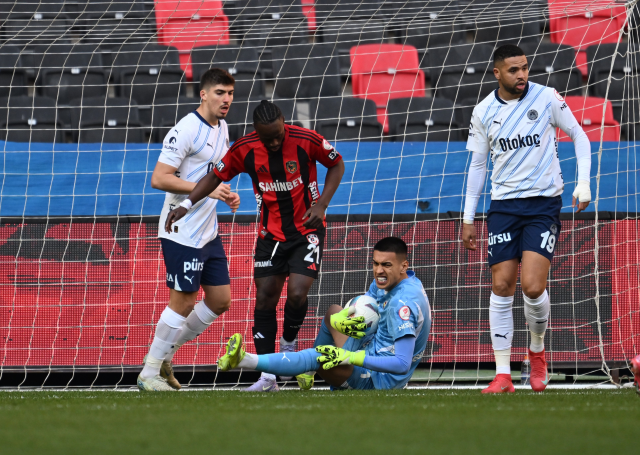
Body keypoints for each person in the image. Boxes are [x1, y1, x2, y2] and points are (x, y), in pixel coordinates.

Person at [165, 100, 345, 391]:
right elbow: (215, 176)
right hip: (269, 235)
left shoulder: (306, 140)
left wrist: (322, 204)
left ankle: (288, 345)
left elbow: (336, 163)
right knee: (264, 301)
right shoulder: (245, 148)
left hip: (306, 230)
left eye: (277, 135)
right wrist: (186, 204)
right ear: (256, 132)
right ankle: (268, 377)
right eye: (267, 138)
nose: (273, 142)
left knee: (298, 294)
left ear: (285, 122)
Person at [461, 44, 592, 394]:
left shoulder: (547, 97)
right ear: (497, 73)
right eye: (514, 70)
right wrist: (468, 217)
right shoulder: (484, 111)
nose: (522, 75)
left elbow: (579, 136)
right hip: (503, 207)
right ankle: (502, 375)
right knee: (501, 286)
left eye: (525, 68)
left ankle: (536, 350)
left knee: (533, 287)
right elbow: (477, 166)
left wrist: (583, 183)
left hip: (543, 205)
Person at [137, 68, 240, 391]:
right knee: (183, 301)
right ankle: (149, 373)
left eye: (231, 93)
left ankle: (166, 354)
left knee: (220, 300)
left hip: (208, 230)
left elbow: (213, 174)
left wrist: (224, 192)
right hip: (180, 228)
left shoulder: (223, 127)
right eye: (221, 93)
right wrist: (206, 190)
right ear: (204, 94)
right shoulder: (185, 129)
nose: (227, 100)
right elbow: (159, 178)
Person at [216, 237, 431, 391]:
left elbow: (401, 364)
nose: (378, 271)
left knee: (320, 356)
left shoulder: (403, 304)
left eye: (386, 265)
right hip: (370, 348)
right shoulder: (393, 281)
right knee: (332, 313)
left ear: (404, 265)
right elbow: (369, 308)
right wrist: (343, 321)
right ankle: (307, 373)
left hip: (378, 379)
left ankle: (245, 360)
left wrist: (350, 356)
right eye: (375, 264)